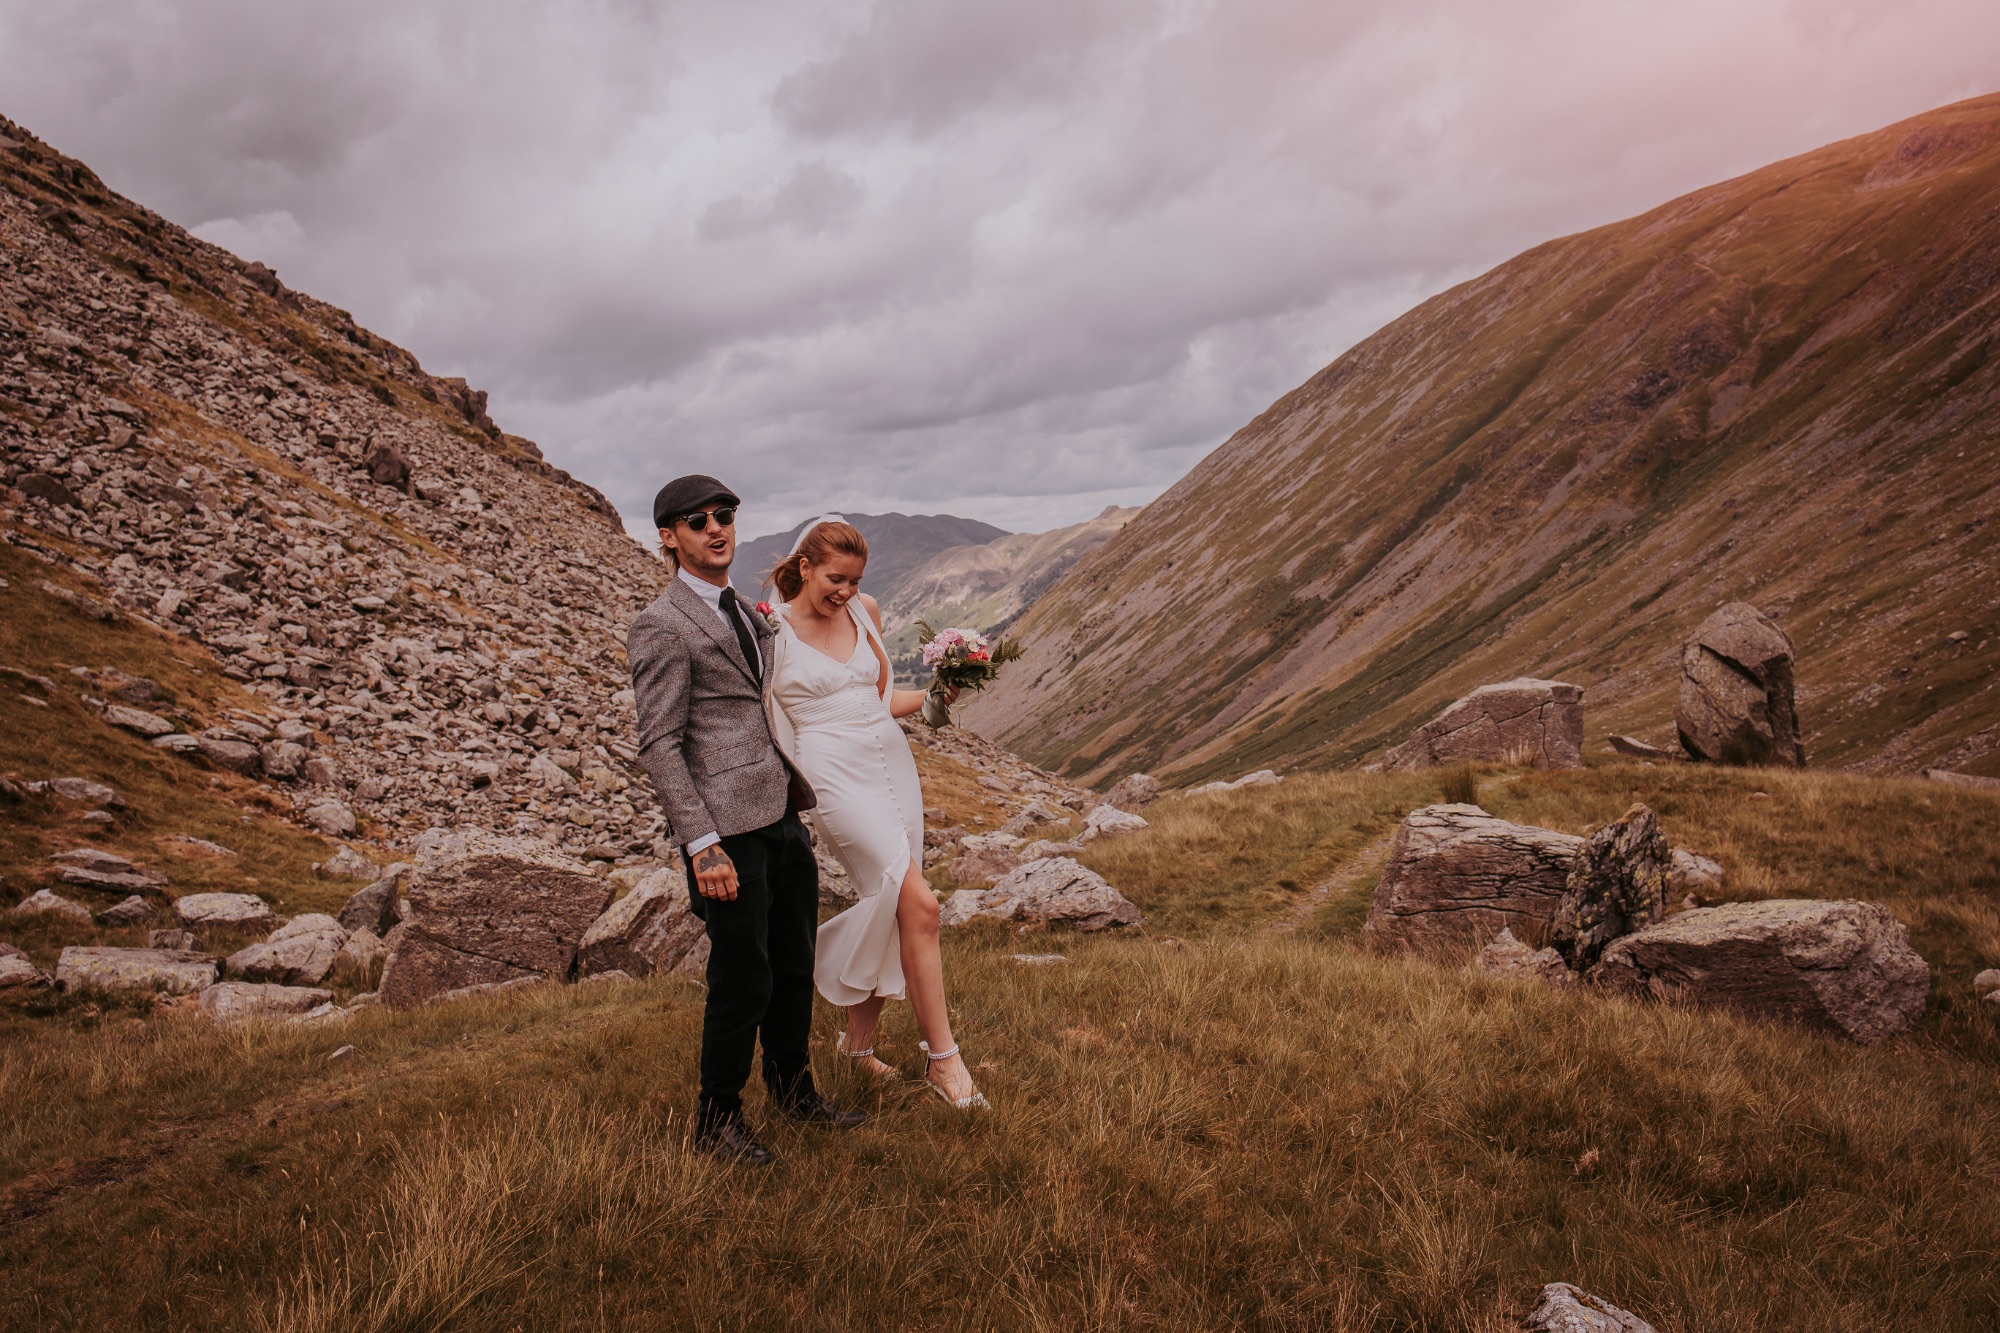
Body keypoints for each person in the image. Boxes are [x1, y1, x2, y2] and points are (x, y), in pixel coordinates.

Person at [627, 475, 866, 1165]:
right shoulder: (662, 623)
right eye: (696, 520)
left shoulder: (745, 609)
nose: (715, 527)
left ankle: (793, 1091)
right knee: (743, 975)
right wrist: (701, 845)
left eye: (725, 515)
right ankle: (717, 1118)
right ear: (669, 537)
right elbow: (660, 743)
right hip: (722, 830)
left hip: (778, 811)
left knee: (794, 961)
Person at [762, 516, 988, 1110]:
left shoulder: (867, 612)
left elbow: (884, 701)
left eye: (855, 579)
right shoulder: (771, 630)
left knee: (893, 905)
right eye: (835, 578)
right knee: (919, 903)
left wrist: (944, 694)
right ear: (804, 567)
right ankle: (945, 1062)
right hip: (832, 776)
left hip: (891, 767)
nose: (845, 591)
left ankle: (857, 1048)